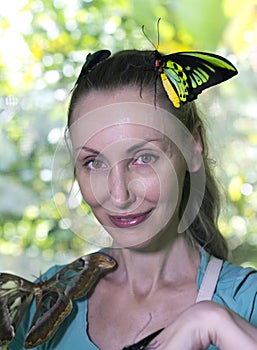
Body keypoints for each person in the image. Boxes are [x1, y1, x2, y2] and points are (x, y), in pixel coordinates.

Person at [9, 49, 257, 350]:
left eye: (143, 158)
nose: (118, 194)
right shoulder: (46, 301)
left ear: (193, 147)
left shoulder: (246, 303)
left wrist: (215, 323)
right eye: (94, 163)